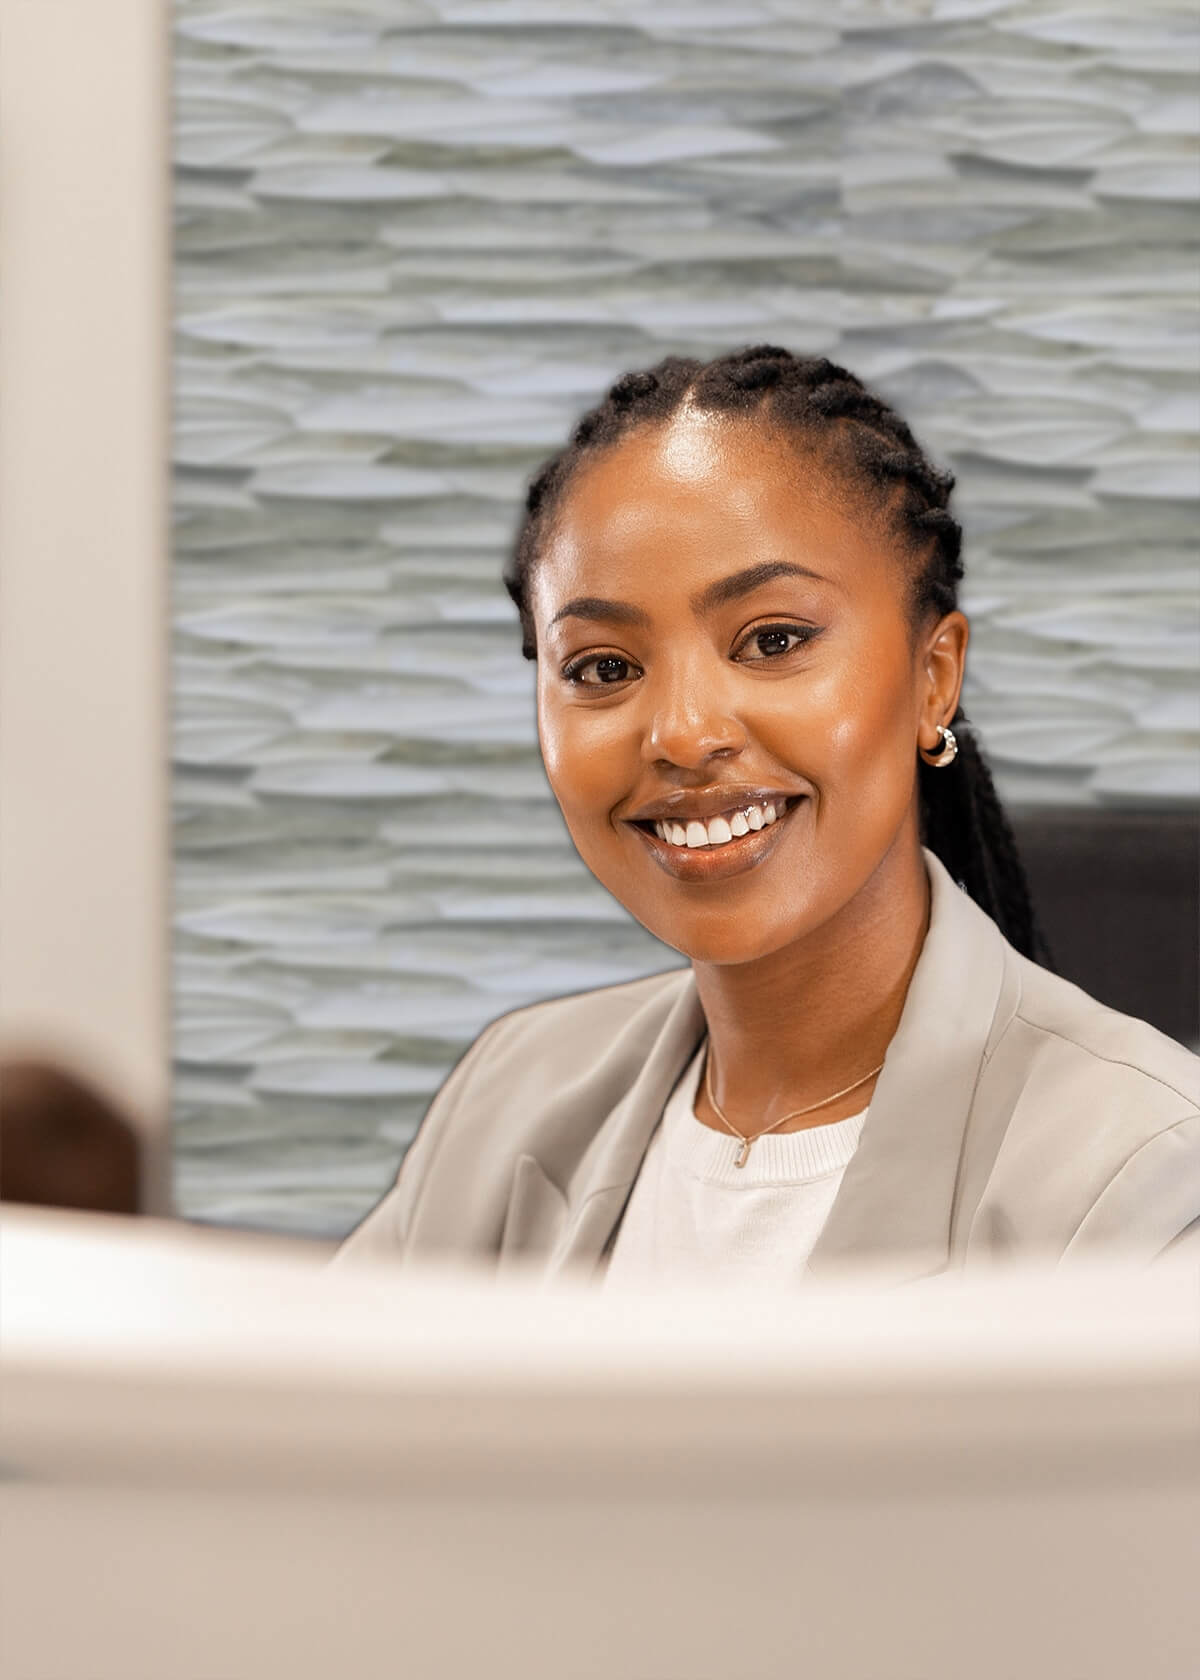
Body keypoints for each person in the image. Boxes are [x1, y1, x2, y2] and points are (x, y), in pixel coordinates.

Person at [334, 346, 1200, 1284]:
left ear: (932, 679)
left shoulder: (1145, 1176)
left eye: (773, 640)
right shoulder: (509, 1095)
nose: (681, 733)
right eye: (603, 668)